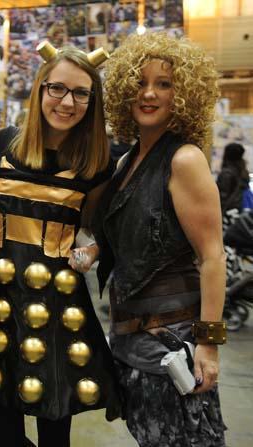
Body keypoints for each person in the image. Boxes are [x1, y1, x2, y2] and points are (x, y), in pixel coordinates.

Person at [0, 42, 120, 447]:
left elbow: (99, 233)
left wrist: (91, 251)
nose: (67, 102)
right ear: (40, 89)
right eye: (57, 89)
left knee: (55, 428)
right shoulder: (5, 144)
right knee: (1, 428)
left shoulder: (99, 162)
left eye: (81, 93)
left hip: (58, 311)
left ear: (93, 99)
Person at [89, 32, 226, 447]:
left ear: (182, 94)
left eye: (164, 84)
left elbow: (212, 257)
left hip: (173, 345)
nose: (149, 93)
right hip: (130, 345)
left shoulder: (184, 159)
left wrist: (209, 344)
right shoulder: (129, 161)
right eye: (140, 83)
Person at [217, 142, 250, 212]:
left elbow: (222, 198)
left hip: (227, 214)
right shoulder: (243, 172)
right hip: (238, 212)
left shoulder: (226, 173)